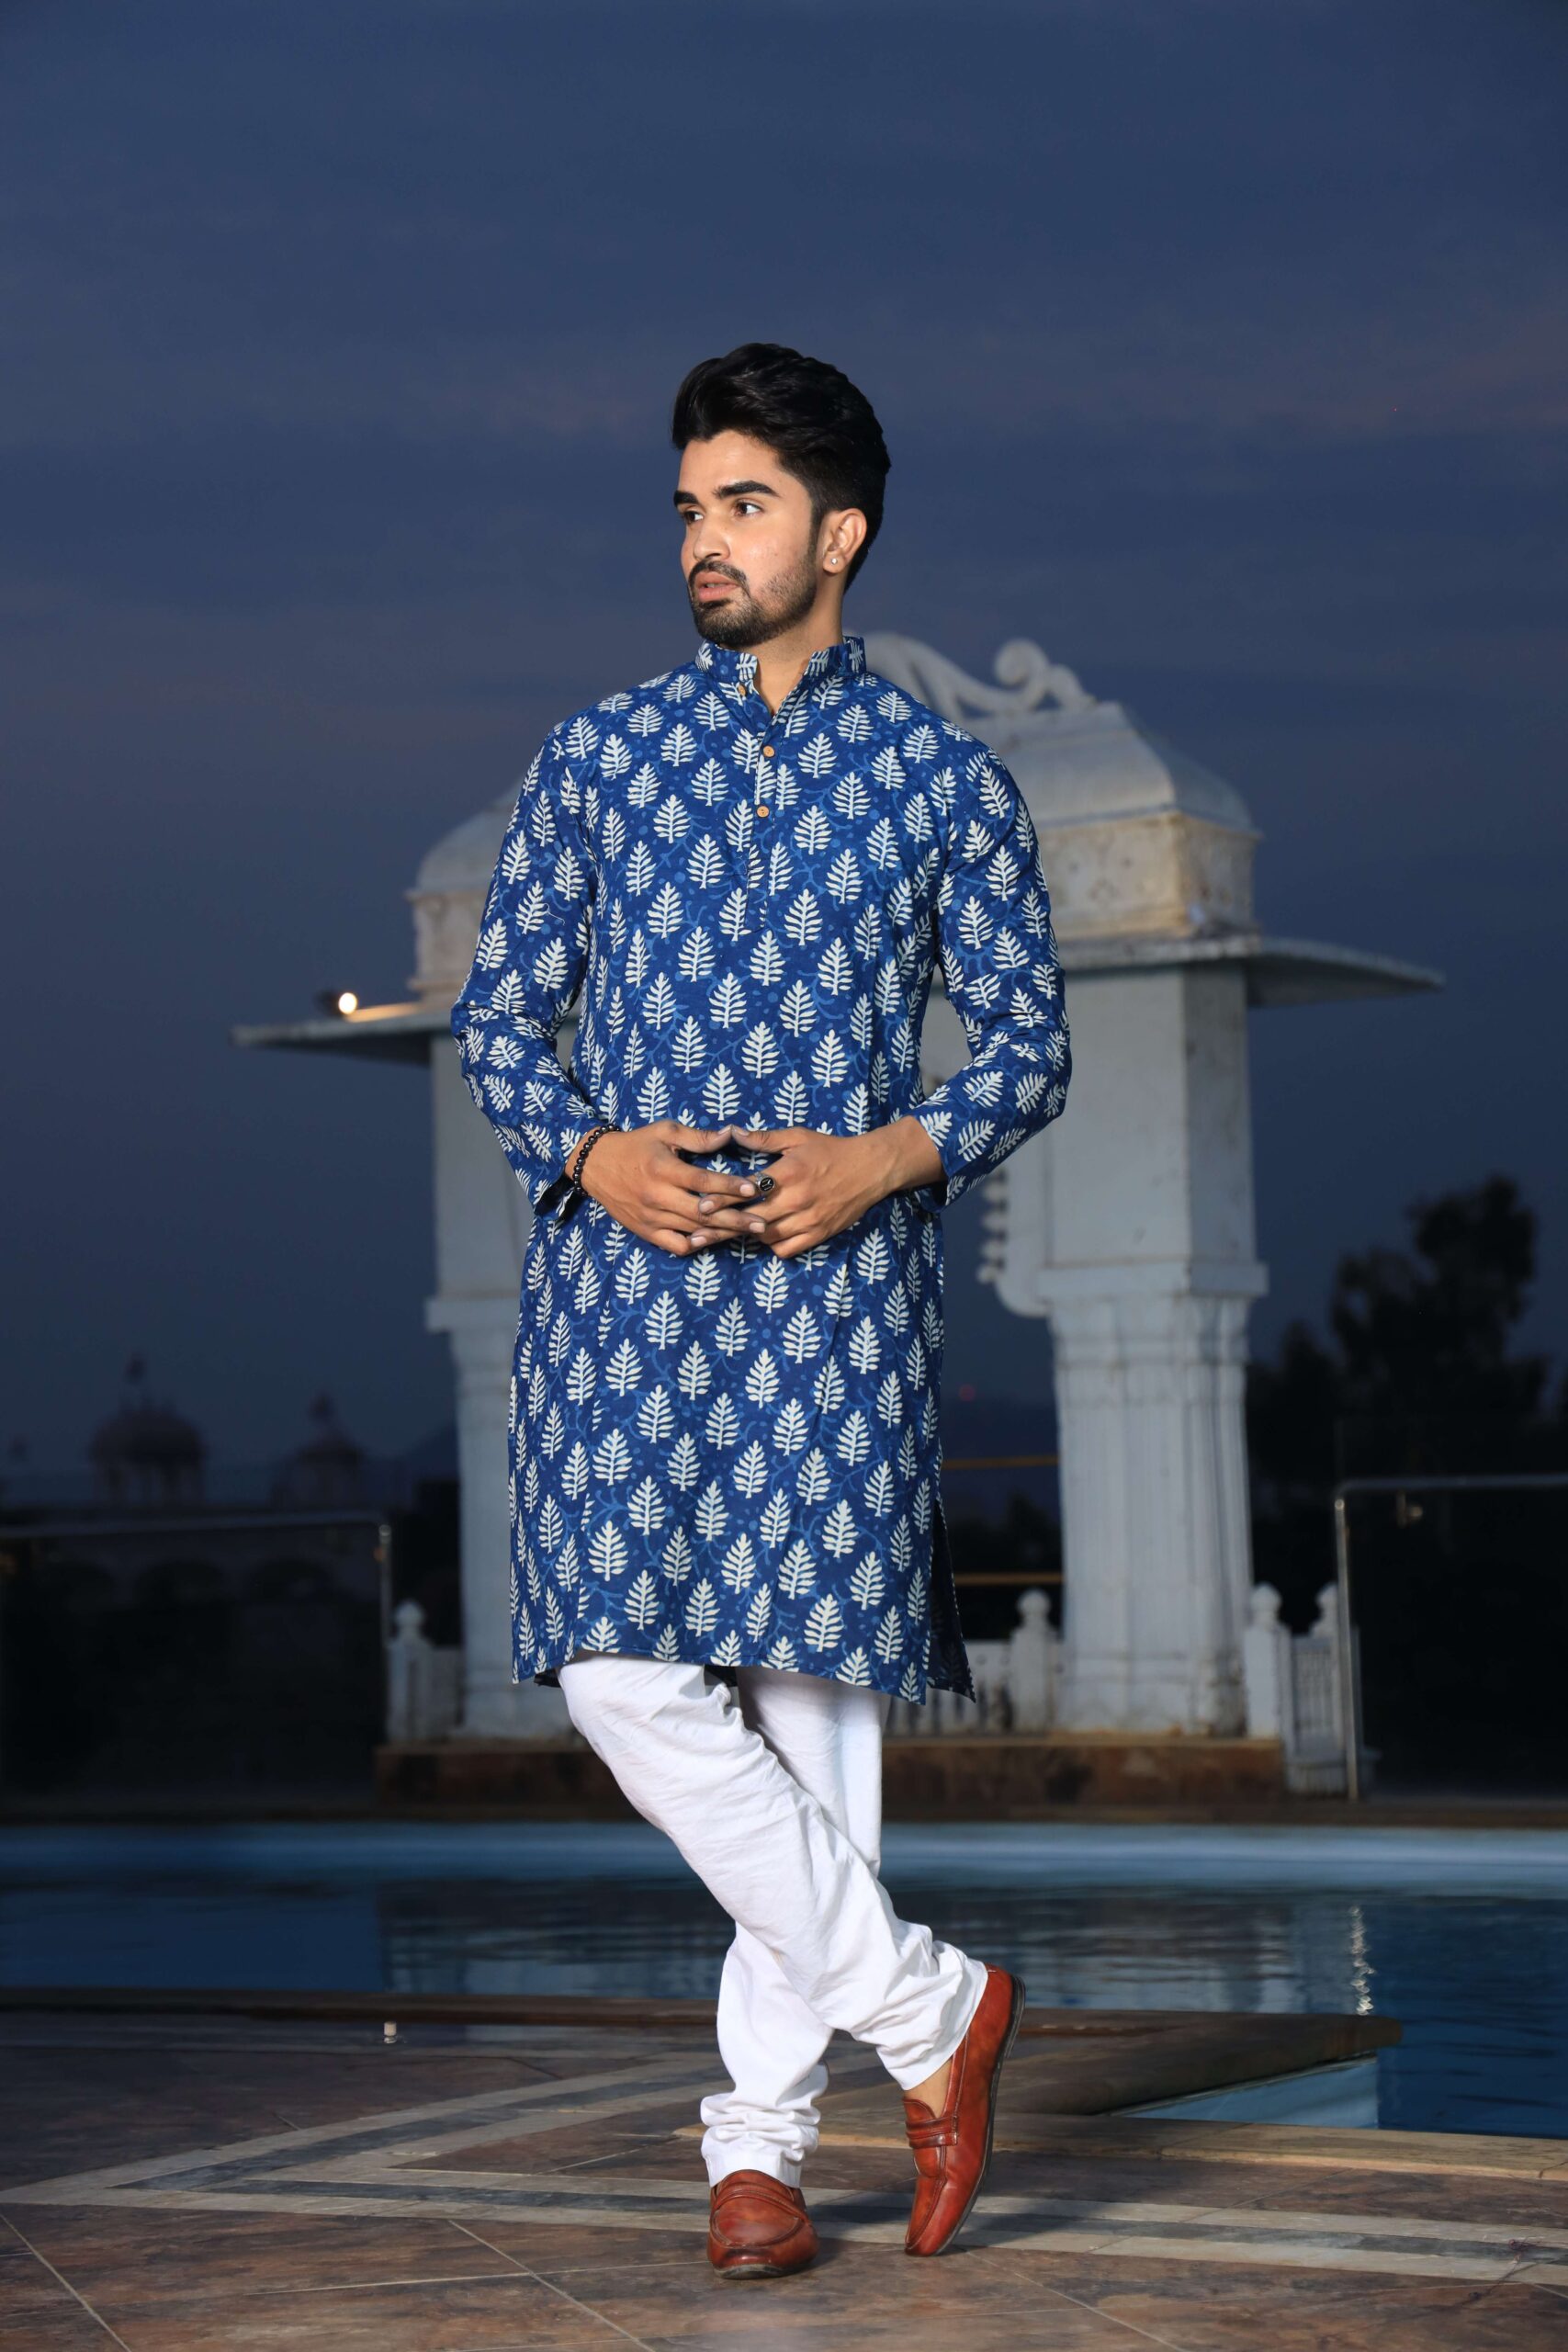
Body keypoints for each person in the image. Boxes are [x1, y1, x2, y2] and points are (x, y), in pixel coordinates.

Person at [451, 342, 1071, 2278]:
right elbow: (497, 1019)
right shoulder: (597, 756)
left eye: (742, 504)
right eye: (689, 508)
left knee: (813, 1714)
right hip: (619, 1285)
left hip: (837, 1293)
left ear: (839, 532)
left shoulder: (942, 780)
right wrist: (588, 1150)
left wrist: (886, 1159)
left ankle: (761, 2154)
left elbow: (1026, 1047)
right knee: (618, 1670)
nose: (702, 540)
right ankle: (931, 2007)